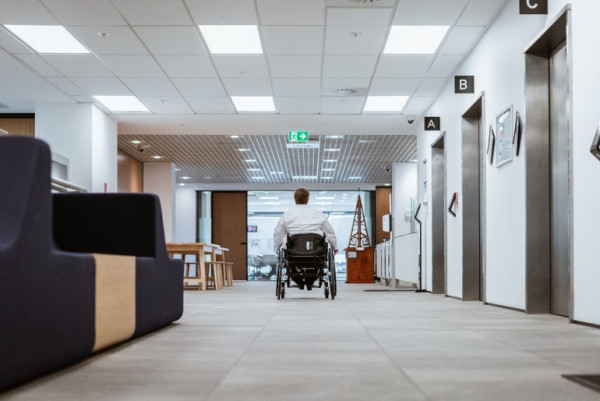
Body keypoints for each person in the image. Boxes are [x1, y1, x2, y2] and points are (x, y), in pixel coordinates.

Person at [273, 188, 338, 290]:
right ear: (308, 198)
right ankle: (309, 281)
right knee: (317, 260)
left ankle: (299, 281)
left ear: (295, 198)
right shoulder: (318, 214)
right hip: (316, 253)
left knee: (290, 261)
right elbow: (330, 232)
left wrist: (276, 248)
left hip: (293, 253)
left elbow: (278, 233)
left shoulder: (287, 215)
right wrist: (334, 246)